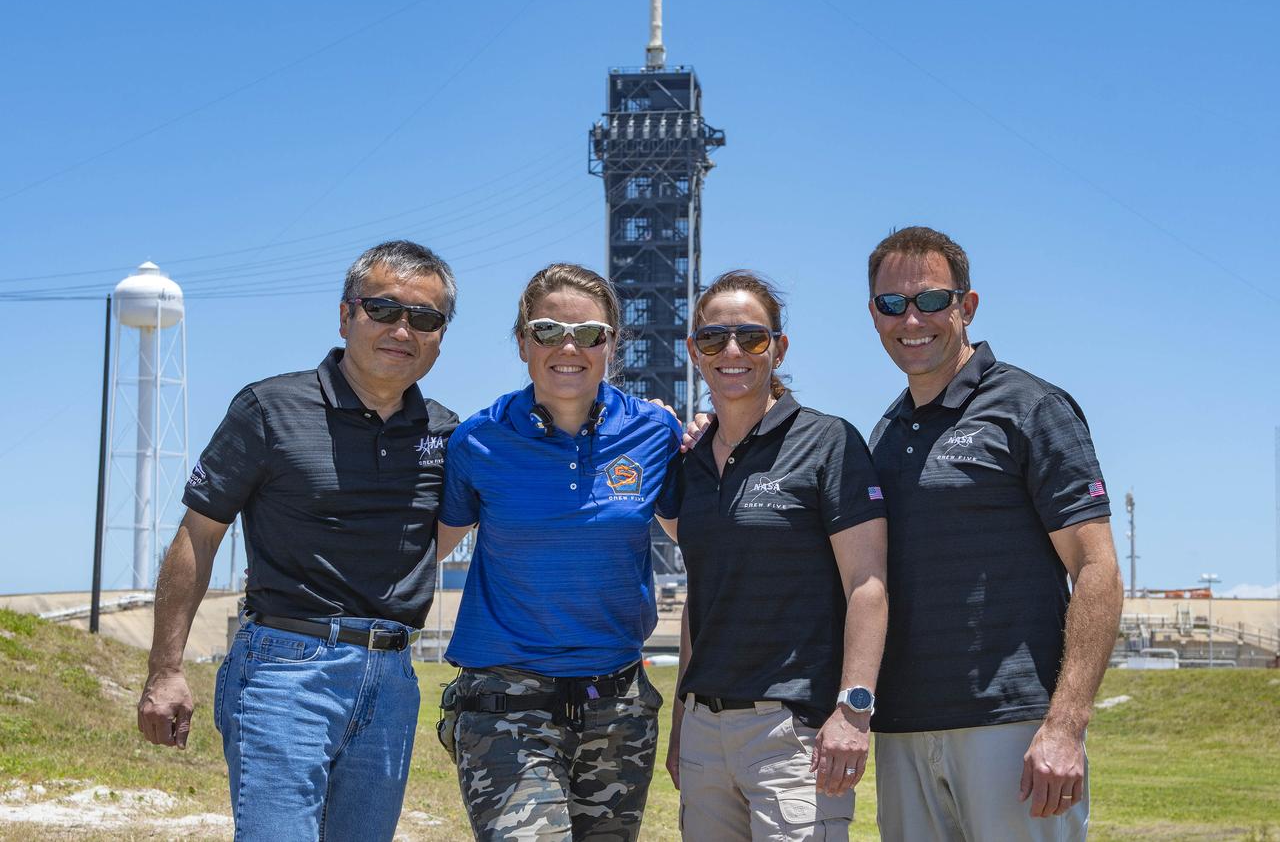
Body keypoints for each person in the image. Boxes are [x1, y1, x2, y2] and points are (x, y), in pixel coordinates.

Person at [136, 240, 459, 841]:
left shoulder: (445, 431)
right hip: (285, 670)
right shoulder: (269, 408)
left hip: (392, 678)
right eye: (384, 309)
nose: (402, 329)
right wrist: (165, 668)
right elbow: (199, 536)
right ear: (346, 315)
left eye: (425, 318)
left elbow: (444, 533)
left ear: (441, 333)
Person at [864, 226, 1124, 840]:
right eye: (891, 303)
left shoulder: (1030, 406)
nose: (911, 318)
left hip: (1011, 728)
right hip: (902, 727)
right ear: (873, 314)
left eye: (930, 299)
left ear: (967, 306)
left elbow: (1098, 569)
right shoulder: (885, 430)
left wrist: (1065, 725)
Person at [435, 262, 682, 841]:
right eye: (547, 330)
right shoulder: (480, 440)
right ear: (522, 342)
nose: (567, 347)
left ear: (611, 345)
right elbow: (423, 550)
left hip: (617, 705)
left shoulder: (655, 433)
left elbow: (710, 542)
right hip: (505, 701)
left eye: (589, 333)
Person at [662, 270, 889, 841]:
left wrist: (853, 710)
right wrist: (679, 722)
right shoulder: (689, 464)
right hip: (705, 731)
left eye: (751, 337)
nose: (731, 351)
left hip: (793, 734)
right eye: (713, 339)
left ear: (778, 347)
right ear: (695, 351)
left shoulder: (827, 442)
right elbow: (702, 599)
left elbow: (868, 583)